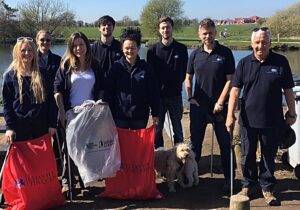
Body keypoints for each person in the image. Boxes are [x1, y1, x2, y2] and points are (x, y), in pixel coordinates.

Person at [226, 27, 296, 206]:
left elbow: (288, 90)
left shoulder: (280, 62)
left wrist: (292, 112)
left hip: (272, 120)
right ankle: (248, 184)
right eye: (257, 42)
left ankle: (267, 187)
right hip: (248, 119)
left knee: (268, 155)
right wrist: (230, 115)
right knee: (247, 154)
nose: (260, 46)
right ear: (252, 44)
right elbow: (234, 90)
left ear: (270, 44)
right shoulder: (243, 63)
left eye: (264, 42)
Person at [185, 18, 235, 192]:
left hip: (221, 106)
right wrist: (190, 97)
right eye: (204, 33)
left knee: (225, 143)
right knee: (195, 144)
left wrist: (221, 101)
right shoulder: (195, 54)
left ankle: (229, 179)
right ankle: (192, 177)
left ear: (215, 32)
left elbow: (231, 80)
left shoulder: (225, 53)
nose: (208, 36)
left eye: (211, 33)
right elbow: (188, 77)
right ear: (200, 34)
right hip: (199, 106)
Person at [54, 32, 104, 195]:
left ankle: (85, 179)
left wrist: (99, 104)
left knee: (85, 149)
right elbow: (57, 90)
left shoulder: (94, 64)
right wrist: (62, 112)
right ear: (70, 47)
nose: (78, 48)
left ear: (86, 46)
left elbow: (102, 87)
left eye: (81, 44)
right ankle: (68, 181)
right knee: (68, 149)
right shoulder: (66, 65)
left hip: (89, 114)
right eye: (75, 45)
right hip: (70, 114)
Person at [2, 37, 57, 143]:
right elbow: (7, 104)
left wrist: (52, 124)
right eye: (23, 50)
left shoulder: (43, 73)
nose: (27, 53)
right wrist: (9, 127)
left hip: (41, 128)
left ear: (34, 52)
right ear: (17, 53)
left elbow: (51, 100)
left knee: (41, 159)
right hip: (19, 128)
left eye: (30, 50)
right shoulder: (10, 76)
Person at [104, 27, 160, 129]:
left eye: (133, 48)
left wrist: (155, 113)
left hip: (140, 116)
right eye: (127, 48)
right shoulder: (116, 67)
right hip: (119, 116)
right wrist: (108, 113)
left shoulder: (146, 68)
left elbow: (153, 92)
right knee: (121, 145)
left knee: (137, 145)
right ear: (122, 48)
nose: (129, 51)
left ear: (138, 48)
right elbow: (109, 92)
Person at [147, 17, 188, 148]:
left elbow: (185, 72)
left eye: (168, 27)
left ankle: (180, 158)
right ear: (159, 30)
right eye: (163, 28)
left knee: (177, 129)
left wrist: (175, 84)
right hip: (158, 97)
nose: (166, 30)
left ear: (172, 29)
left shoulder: (181, 49)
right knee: (157, 130)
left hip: (175, 95)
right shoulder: (152, 50)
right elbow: (150, 75)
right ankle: (160, 156)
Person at [36, 30, 62, 169]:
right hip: (39, 104)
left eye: (48, 40)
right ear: (37, 41)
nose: (45, 42)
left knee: (58, 138)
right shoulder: (31, 58)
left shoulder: (58, 60)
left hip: (56, 103)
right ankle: (43, 167)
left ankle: (58, 165)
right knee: (41, 138)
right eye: (42, 40)